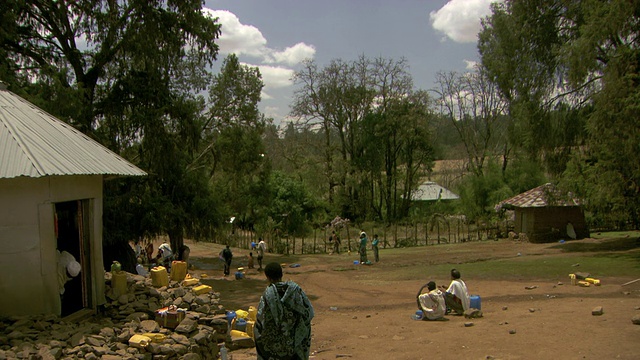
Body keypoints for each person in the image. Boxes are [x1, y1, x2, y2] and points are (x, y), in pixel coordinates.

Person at [255, 262, 314, 360]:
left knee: (256, 328)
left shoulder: (267, 295)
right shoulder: (295, 291)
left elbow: (260, 318)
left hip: (274, 348)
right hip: (295, 344)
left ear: (267, 277)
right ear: (281, 275)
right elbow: (309, 313)